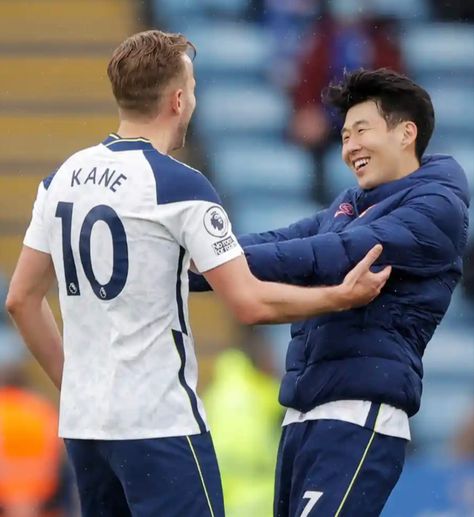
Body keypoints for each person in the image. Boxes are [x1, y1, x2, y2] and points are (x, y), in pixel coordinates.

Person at [4, 31, 390, 517]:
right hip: (160, 426)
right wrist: (341, 297)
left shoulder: (61, 179)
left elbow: (21, 298)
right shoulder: (179, 185)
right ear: (179, 99)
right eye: (193, 87)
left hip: (87, 429)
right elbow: (248, 303)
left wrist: (73, 383)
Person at [190, 68, 470, 516]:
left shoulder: (437, 208)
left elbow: (336, 254)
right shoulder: (350, 205)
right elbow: (276, 242)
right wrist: (183, 264)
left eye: (362, 130)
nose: (350, 147)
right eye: (343, 136)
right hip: (304, 414)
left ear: (406, 133)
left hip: (358, 413)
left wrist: (207, 260)